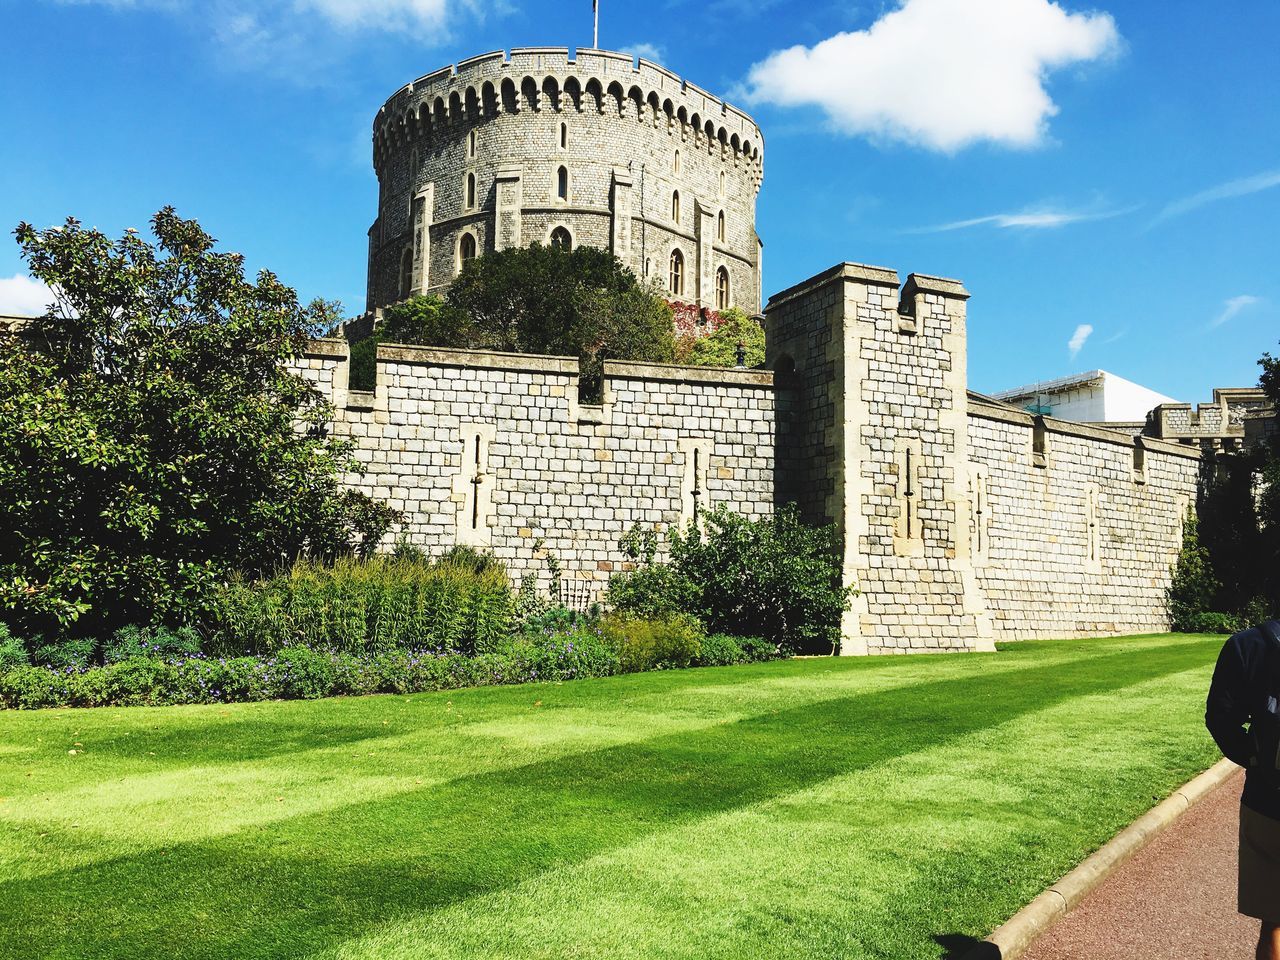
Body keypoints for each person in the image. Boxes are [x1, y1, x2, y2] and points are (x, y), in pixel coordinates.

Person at [1207, 621, 1280, 960]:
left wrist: (1252, 757)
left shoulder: (1248, 645)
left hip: (1266, 799)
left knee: (1273, 923)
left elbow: (1219, 716)